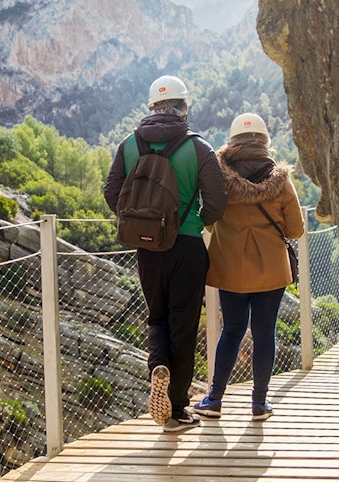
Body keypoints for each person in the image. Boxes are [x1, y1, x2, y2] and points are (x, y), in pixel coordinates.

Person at [104, 75, 226, 432]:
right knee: (183, 327)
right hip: (186, 247)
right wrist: (196, 223)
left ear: (153, 107)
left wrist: (136, 222)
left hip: (147, 246)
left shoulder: (129, 144)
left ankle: (158, 365)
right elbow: (217, 201)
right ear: (184, 108)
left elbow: (112, 191)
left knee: (156, 318)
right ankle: (176, 409)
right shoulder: (198, 148)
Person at [196, 112, 304, 421]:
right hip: (271, 269)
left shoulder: (218, 175)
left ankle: (214, 399)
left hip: (229, 267)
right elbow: (295, 230)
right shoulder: (281, 181)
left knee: (231, 330)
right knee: (264, 331)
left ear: (233, 141)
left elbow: (210, 218)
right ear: (265, 141)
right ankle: (259, 404)